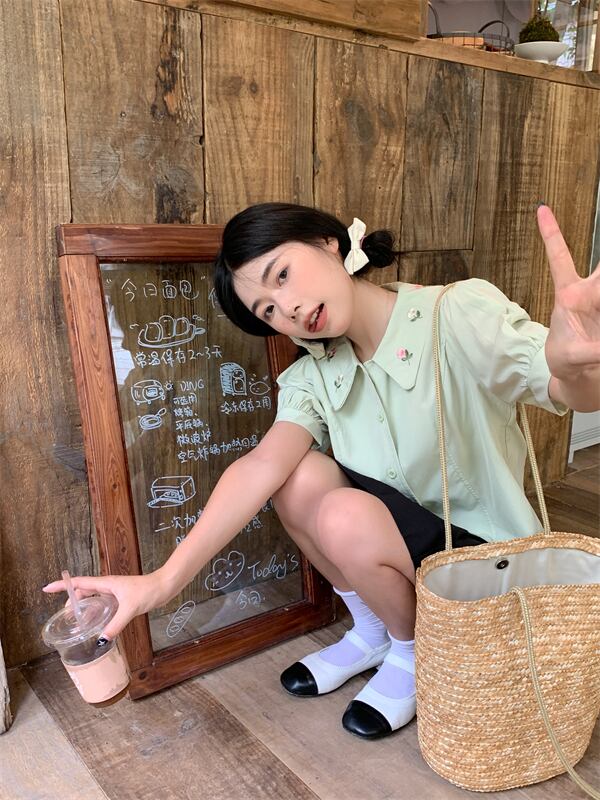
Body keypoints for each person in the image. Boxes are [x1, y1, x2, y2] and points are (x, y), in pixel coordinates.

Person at [43, 202, 600, 740]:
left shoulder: (453, 313)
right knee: (296, 475)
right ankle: (376, 631)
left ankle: (413, 652)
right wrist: (161, 583)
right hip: (408, 556)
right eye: (267, 311)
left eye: (282, 274)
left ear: (328, 242)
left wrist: (577, 365)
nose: (286, 309)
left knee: (341, 511)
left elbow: (564, 386)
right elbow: (262, 465)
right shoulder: (315, 375)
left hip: (489, 565)